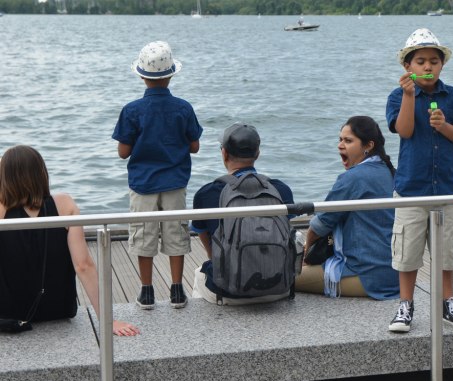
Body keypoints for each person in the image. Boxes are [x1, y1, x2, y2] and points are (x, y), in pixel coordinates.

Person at [385, 28, 453, 332]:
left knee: (445, 253)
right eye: (420, 61)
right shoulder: (399, 95)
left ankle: (447, 302)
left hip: (445, 187)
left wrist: (445, 127)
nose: (427, 67)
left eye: (433, 61)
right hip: (411, 188)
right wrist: (410, 97)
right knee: (407, 252)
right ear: (407, 67)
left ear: (442, 65)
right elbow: (405, 130)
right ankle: (405, 304)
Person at [0, 145, 139, 336]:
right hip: (58, 308)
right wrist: (108, 320)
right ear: (41, 172)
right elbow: (83, 265)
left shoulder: (2, 210)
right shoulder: (64, 205)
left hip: (10, 313)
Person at [112, 41, 203, 310]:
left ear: (142, 75)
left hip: (143, 184)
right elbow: (195, 146)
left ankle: (147, 291)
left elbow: (122, 152)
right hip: (175, 182)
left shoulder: (131, 110)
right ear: (172, 74)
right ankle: (177, 290)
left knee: (143, 236)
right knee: (176, 234)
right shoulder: (183, 108)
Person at [191, 123, 295, 305]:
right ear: (258, 153)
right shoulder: (281, 190)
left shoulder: (207, 193)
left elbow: (208, 245)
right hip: (281, 287)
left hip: (229, 292)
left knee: (200, 272)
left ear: (224, 153)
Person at [297, 116, 399, 300]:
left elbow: (319, 227)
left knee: (281, 278)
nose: (340, 145)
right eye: (340, 139)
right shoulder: (390, 172)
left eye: (348, 140)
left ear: (368, 145)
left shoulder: (353, 178)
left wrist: (306, 255)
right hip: (395, 275)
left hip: (365, 275)